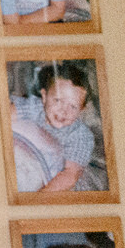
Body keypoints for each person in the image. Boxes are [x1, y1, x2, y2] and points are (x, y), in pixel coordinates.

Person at [12, 63, 102, 193]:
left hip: (54, 182)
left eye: (73, 106)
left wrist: (38, 199)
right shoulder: (35, 107)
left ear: (82, 110)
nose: (63, 111)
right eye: (58, 100)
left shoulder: (80, 135)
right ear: (44, 97)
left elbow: (70, 175)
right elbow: (4, 117)